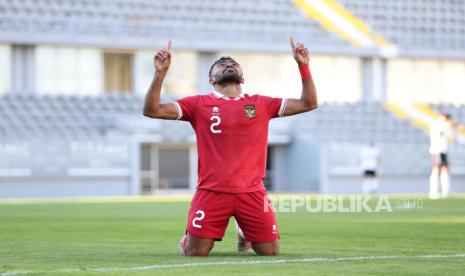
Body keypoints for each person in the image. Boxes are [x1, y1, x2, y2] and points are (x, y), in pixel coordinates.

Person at [143, 36, 317, 256]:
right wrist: (160, 73)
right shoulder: (197, 104)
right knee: (195, 253)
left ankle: (244, 230)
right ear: (212, 80)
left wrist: (304, 67)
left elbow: (309, 103)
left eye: (233, 64)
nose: (228, 65)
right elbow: (152, 110)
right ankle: (190, 236)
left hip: (252, 192)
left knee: (270, 252)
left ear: (242, 77)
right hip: (211, 191)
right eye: (221, 65)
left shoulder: (261, 103)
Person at [428, 113, 464, 199]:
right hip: (437, 150)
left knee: (445, 169)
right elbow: (451, 125)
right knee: (436, 169)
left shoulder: (442, 124)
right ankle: (433, 192)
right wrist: (459, 125)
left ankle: (446, 191)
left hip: (442, 150)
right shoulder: (438, 124)